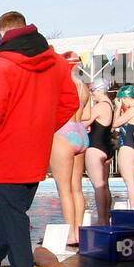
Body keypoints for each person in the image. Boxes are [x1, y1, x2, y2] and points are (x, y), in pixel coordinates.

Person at [0, 11, 80, 267]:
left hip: (5, 147)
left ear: (3, 34)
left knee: (14, 213)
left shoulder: (1, 66)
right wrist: (42, 128)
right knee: (12, 207)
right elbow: (70, 102)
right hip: (36, 149)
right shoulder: (55, 62)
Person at [51, 67, 91, 250]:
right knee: (77, 188)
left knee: (64, 189)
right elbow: (88, 115)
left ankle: (71, 234)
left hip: (63, 133)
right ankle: (79, 230)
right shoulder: (83, 86)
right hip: (80, 132)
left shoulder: (58, 84)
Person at [84, 79, 115, 225]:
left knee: (98, 186)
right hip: (107, 147)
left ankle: (102, 220)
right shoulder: (111, 105)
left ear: (98, 90)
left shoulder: (100, 106)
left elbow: (84, 122)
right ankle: (106, 217)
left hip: (95, 147)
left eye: (92, 91)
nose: (92, 95)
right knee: (104, 185)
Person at [112, 86, 134, 209]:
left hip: (127, 147)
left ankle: (133, 209)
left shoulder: (133, 110)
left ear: (124, 98)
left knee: (129, 182)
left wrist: (118, 108)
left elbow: (115, 124)